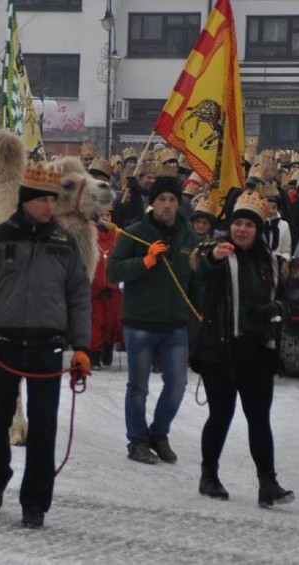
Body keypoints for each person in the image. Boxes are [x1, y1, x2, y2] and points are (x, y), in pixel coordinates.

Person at [0, 162, 92, 529]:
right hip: (4, 344)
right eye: (43, 199)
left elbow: (78, 298)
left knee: (43, 429)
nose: (49, 206)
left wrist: (82, 348)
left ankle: (35, 503)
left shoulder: (65, 243)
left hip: (48, 348)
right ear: (26, 200)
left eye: (53, 199)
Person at [191, 189, 295, 508]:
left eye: (249, 225)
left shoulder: (274, 263)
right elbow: (202, 270)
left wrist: (275, 307)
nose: (242, 230)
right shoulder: (216, 250)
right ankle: (209, 475)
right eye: (237, 224)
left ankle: (268, 483)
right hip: (220, 350)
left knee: (259, 418)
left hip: (258, 352)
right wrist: (214, 258)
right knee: (221, 415)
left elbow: (290, 301)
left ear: (258, 229)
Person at [108, 176, 202, 465]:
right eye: (161, 199)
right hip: (139, 324)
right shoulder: (135, 233)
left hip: (175, 324)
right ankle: (137, 441)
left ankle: (158, 434)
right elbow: (113, 272)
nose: (167, 205)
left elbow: (196, 282)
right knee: (138, 387)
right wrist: (144, 262)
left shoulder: (189, 237)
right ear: (152, 203)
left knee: (177, 386)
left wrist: (199, 314)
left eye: (173, 200)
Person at [90, 207, 122, 369]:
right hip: (95, 285)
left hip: (113, 284)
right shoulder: (90, 236)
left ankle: (107, 348)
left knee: (112, 322)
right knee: (96, 321)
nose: (105, 218)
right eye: (102, 215)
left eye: (108, 215)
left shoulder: (119, 235)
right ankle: (94, 355)